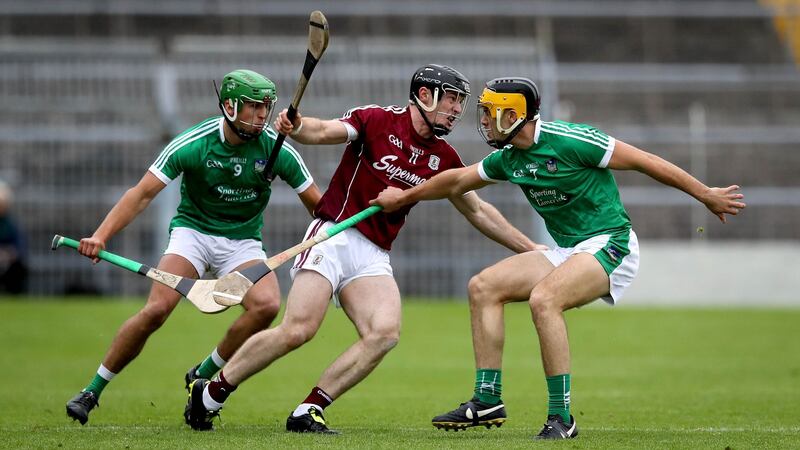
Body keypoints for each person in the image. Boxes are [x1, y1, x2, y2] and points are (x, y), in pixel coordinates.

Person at [371, 77, 746, 440]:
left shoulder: (572, 139)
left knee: (545, 299)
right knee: (483, 287)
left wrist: (705, 193)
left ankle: (562, 417)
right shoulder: (507, 159)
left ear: (512, 114)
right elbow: (455, 181)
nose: (482, 120)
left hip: (610, 242)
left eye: (488, 112)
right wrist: (403, 197)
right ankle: (487, 400)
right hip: (568, 250)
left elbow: (645, 161)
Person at [184, 64, 545, 433]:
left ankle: (308, 409)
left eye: (459, 102)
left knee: (384, 332)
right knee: (298, 329)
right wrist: (298, 125)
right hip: (332, 237)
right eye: (451, 99)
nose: (456, 109)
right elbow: (323, 130)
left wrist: (532, 249)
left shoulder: (444, 158)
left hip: (373, 254)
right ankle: (211, 392)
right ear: (425, 95)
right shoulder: (376, 121)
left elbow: (479, 211)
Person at [65, 69, 322, 426]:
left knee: (266, 305)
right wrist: (100, 235)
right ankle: (92, 390)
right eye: (253, 107)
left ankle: (203, 371)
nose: (263, 115)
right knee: (157, 309)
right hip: (193, 234)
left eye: (267, 107)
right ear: (230, 106)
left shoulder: (278, 150)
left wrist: (340, 219)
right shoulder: (194, 143)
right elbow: (141, 195)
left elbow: (319, 208)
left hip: (243, 241)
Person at [0, 180, 28, 294]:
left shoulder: (11, 225)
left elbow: (20, 247)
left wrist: (8, 254)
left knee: (18, 268)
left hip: (8, 262)